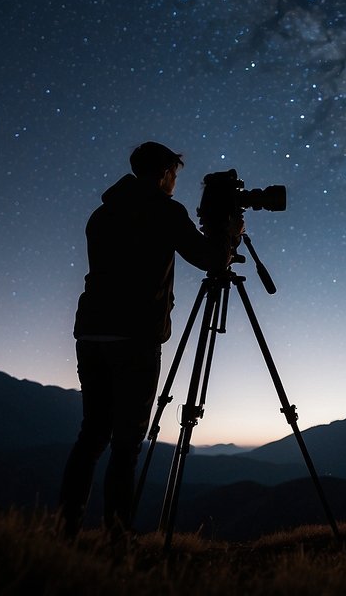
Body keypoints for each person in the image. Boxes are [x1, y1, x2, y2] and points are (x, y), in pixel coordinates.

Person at [59, 141, 238, 539]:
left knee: (92, 435)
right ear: (162, 173)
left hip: (91, 332)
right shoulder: (163, 210)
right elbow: (211, 258)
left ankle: (65, 528)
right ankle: (118, 536)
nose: (176, 183)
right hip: (134, 337)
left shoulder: (102, 214)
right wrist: (228, 233)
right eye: (174, 175)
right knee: (126, 443)